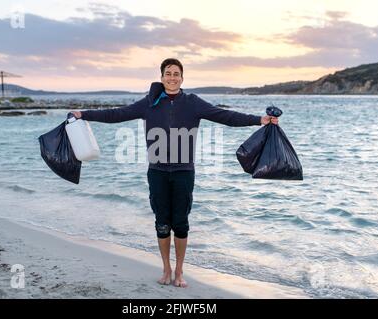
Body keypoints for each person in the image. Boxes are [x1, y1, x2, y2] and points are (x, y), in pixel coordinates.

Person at [71, 58, 278, 288]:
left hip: (183, 172)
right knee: (161, 223)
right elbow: (117, 114)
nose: (172, 77)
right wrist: (84, 114)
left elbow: (225, 116)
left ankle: (179, 271)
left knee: (180, 224)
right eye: (168, 73)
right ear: (161, 77)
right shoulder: (148, 103)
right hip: (157, 172)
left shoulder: (193, 103)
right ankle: (166, 269)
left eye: (176, 74)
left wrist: (259, 120)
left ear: (182, 78)